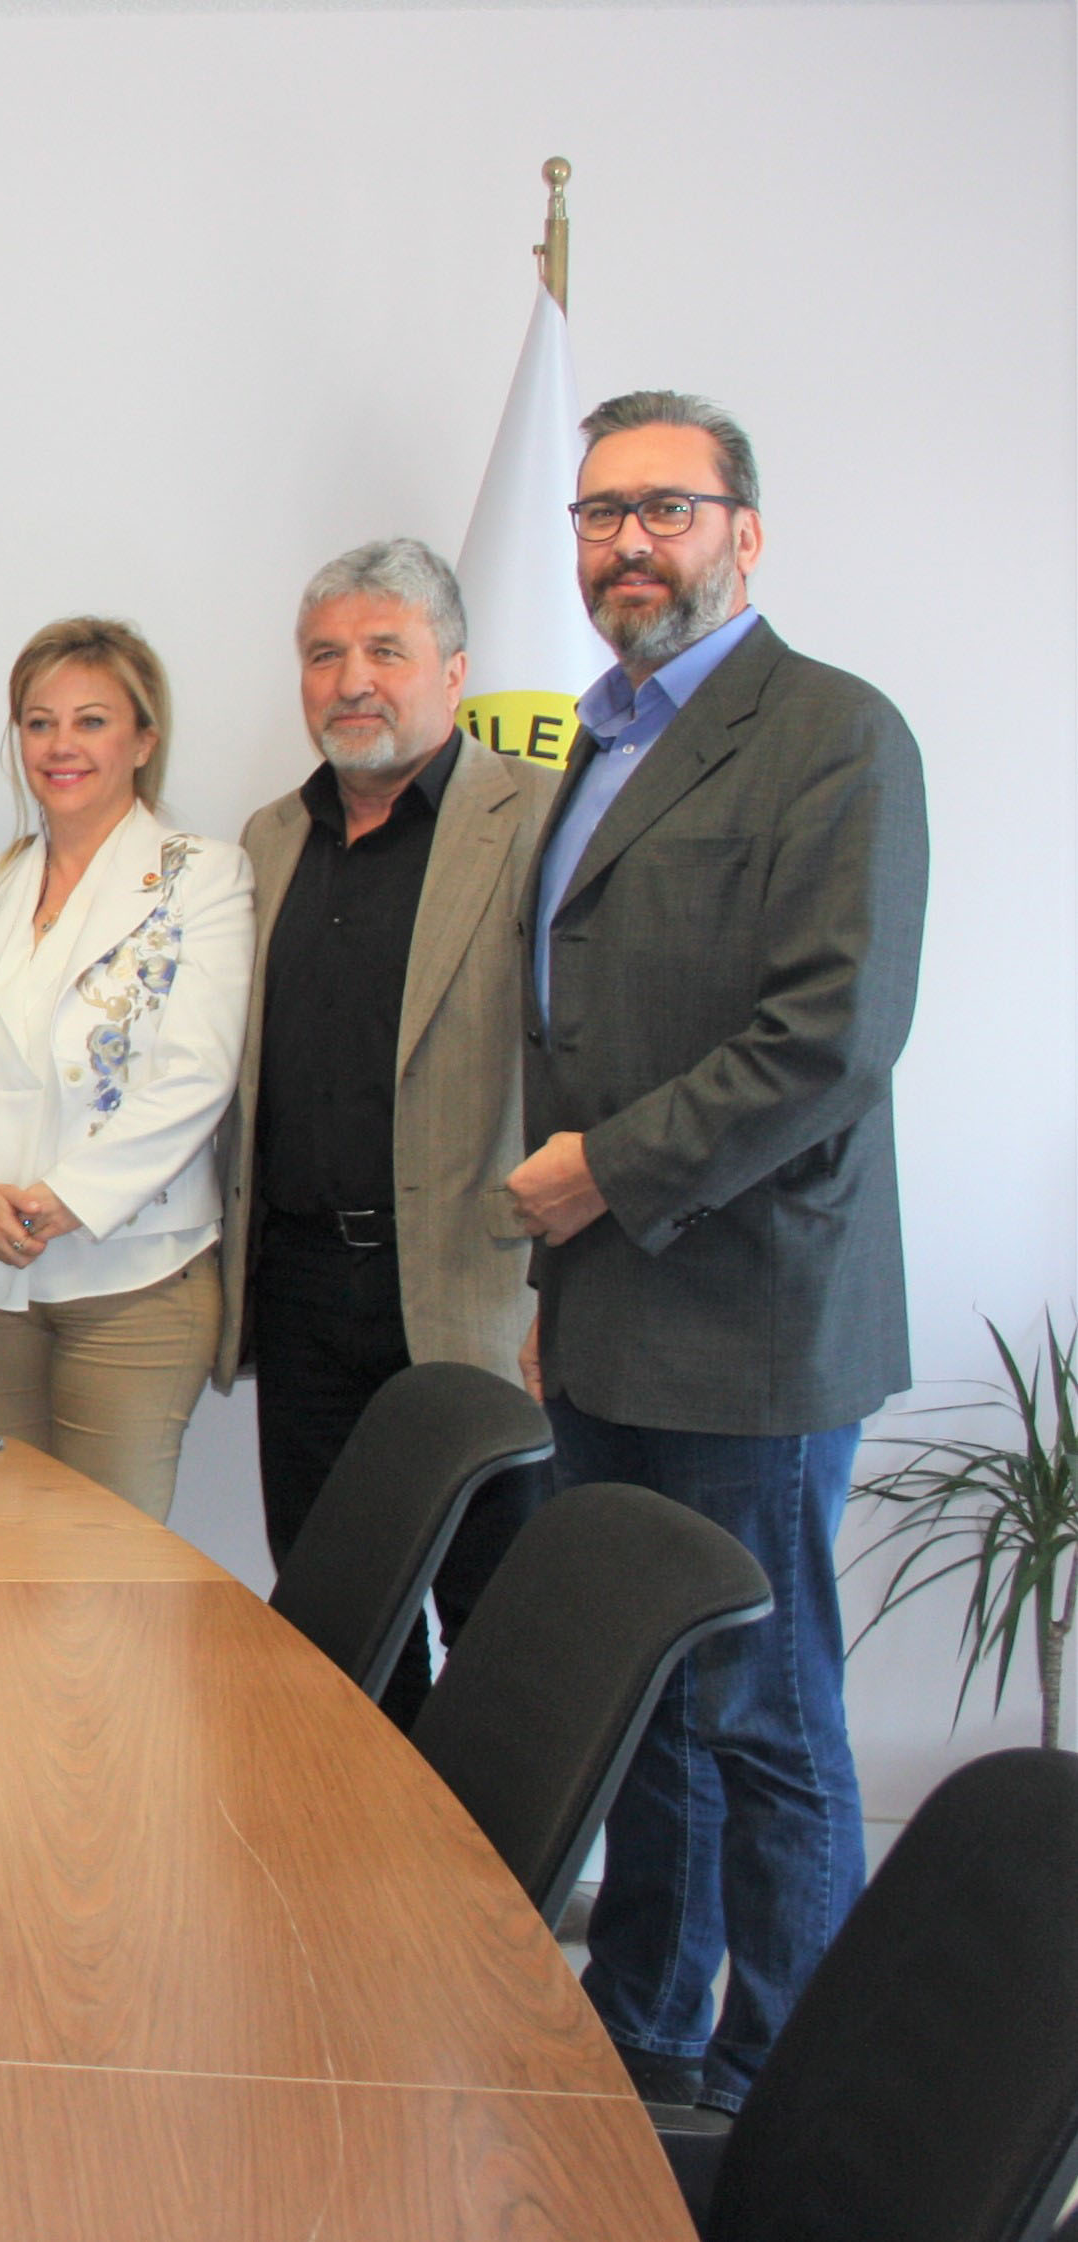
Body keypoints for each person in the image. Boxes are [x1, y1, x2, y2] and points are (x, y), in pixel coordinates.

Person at [514, 391, 928, 2116]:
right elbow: (581, 1016)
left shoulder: (830, 732)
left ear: (740, 533)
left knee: (761, 1718)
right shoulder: (595, 734)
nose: (626, 543)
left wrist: (600, 1178)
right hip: (606, 1306)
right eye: (598, 513)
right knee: (645, 1698)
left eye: (663, 509)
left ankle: (782, 2088)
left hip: (747, 1316)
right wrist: (557, 1275)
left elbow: (827, 1040)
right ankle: (645, 2029)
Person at [216, 541, 555, 1726]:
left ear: (453, 671)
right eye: (323, 655)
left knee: (496, 1615)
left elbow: (582, 1058)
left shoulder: (539, 819)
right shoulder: (267, 838)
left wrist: (559, 1292)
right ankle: (361, 1835)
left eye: (383, 650)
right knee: (338, 1619)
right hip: (304, 1294)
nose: (349, 680)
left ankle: (482, 1849)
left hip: (467, 1289)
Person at [0, 617, 251, 1521]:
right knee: (5, 1552)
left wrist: (63, 1201)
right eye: (38, 722)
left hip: (134, 1278)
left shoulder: (204, 878)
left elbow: (197, 1075)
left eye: (91, 721)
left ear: (143, 738)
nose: (61, 746)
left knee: (103, 1565)